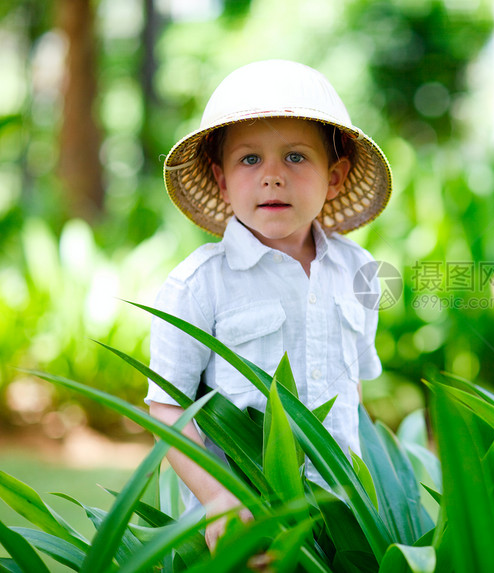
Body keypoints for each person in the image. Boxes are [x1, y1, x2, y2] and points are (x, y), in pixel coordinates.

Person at [144, 59, 392, 551]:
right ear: (220, 179)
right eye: (250, 159)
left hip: (341, 520)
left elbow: (353, 390)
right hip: (243, 521)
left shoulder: (360, 271)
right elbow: (165, 408)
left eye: (296, 157)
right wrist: (217, 499)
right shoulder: (198, 285)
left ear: (336, 176)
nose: (273, 177)